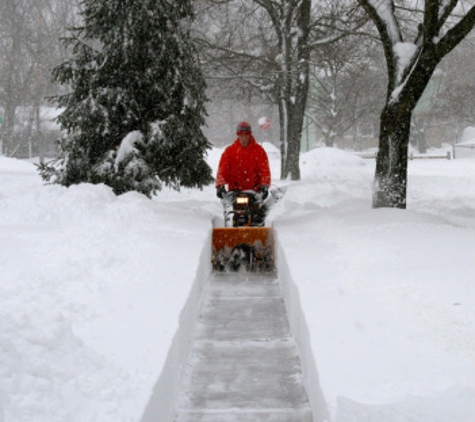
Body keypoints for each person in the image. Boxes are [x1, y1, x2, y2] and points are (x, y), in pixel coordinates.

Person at [215, 121, 271, 199]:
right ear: (238, 136)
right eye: (241, 136)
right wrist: (220, 185)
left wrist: (264, 186)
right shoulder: (229, 151)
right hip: (234, 192)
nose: (243, 139)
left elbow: (264, 170)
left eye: (246, 136)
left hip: (254, 192)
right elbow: (222, 169)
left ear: (250, 136)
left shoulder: (259, 151)